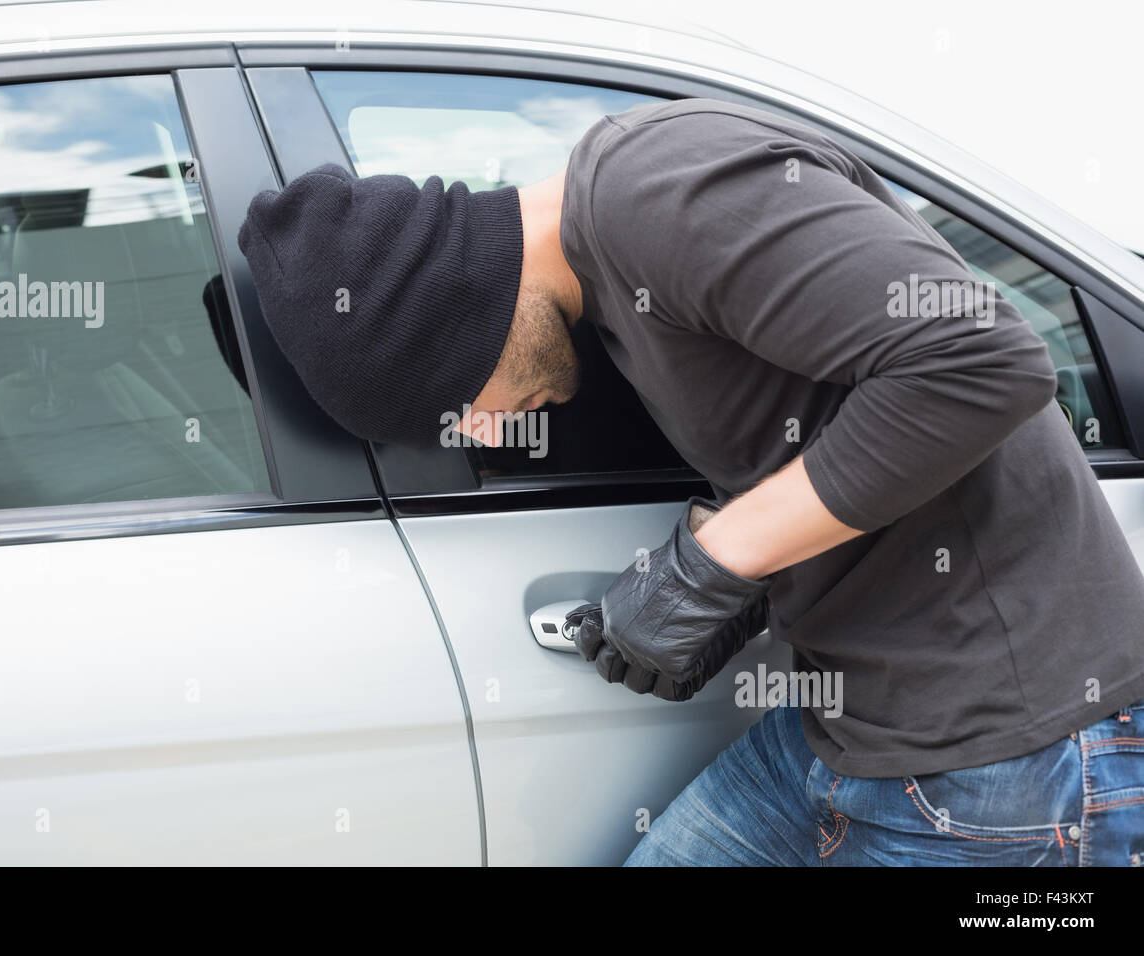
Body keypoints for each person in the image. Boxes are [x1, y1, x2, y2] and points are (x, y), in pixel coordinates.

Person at [237, 98, 1144, 866]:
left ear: (462, 323)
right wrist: (743, 587)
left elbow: (981, 360)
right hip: (854, 725)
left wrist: (710, 564)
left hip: (1011, 752)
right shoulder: (609, 284)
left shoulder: (662, 190)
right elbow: (819, 413)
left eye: (456, 403)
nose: (478, 430)